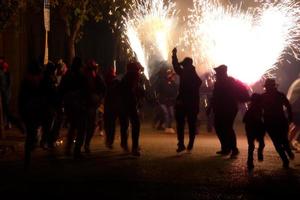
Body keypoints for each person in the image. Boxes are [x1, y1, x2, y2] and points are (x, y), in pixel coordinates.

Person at [207, 65, 249, 158]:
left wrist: (211, 106)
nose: (216, 74)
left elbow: (217, 96)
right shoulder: (219, 82)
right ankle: (226, 148)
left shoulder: (230, 81)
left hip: (229, 108)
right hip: (222, 108)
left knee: (227, 128)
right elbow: (215, 97)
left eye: (218, 72)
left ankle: (233, 149)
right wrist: (210, 107)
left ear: (222, 72)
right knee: (219, 127)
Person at [172, 48, 202, 153]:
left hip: (188, 104)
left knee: (187, 124)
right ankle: (184, 144)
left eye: (184, 65)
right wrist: (174, 55)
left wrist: (174, 55)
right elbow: (176, 67)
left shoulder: (189, 74)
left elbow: (176, 67)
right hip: (188, 104)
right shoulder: (189, 74)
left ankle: (185, 144)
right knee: (187, 124)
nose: (182, 67)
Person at [261, 78, 295, 168]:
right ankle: (287, 154)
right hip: (280, 121)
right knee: (283, 140)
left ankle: (285, 159)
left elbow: (259, 110)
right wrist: (290, 117)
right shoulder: (280, 95)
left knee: (277, 142)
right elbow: (288, 106)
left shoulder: (263, 97)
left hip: (270, 122)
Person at [119, 62, 144, 156]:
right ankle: (134, 147)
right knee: (135, 124)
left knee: (125, 125)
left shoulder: (125, 77)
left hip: (124, 104)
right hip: (129, 104)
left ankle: (125, 144)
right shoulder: (133, 75)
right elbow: (136, 90)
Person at [243, 93, 265, 170]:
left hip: (253, 127)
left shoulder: (253, 107)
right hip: (253, 127)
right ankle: (250, 161)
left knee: (253, 145)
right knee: (255, 145)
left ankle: (250, 161)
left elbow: (244, 120)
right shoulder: (254, 108)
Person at [156, 68, 178, 133]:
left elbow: (175, 91)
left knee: (171, 114)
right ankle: (166, 127)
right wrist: (158, 98)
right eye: (169, 74)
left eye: (171, 74)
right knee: (166, 113)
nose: (171, 75)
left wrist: (174, 98)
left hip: (170, 101)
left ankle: (169, 126)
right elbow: (158, 90)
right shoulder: (162, 82)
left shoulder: (173, 83)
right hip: (162, 101)